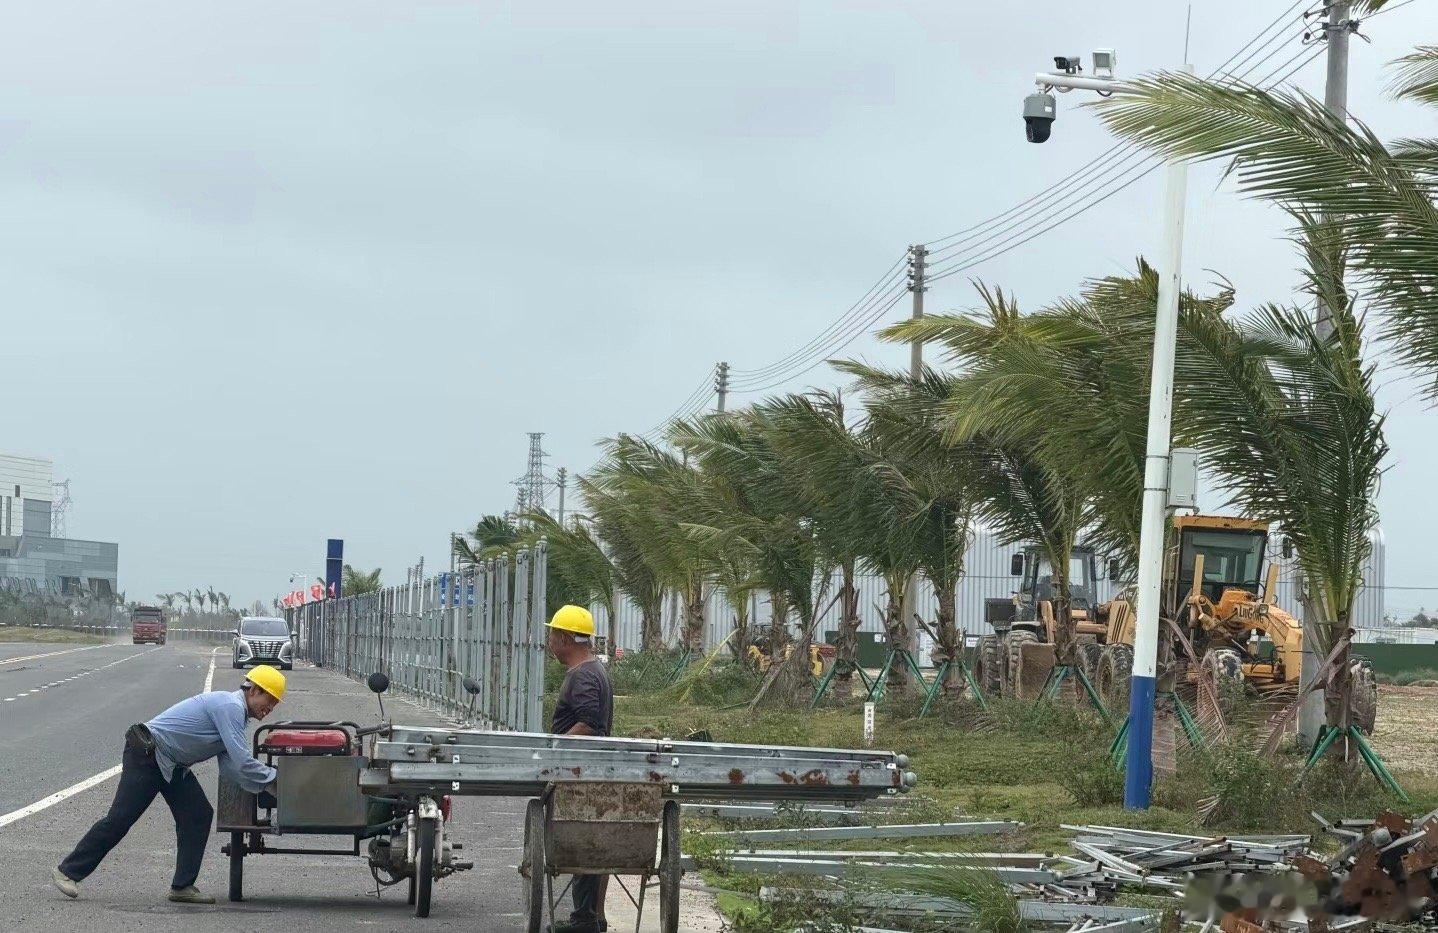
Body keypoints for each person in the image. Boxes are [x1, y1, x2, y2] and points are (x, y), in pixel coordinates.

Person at [52, 664, 287, 904]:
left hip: (172, 764)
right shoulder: (230, 707)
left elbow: (231, 768)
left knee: (198, 814)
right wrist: (278, 780)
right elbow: (243, 761)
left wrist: (267, 786)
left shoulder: (236, 714)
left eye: (275, 705)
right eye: (269, 700)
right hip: (148, 755)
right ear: (254, 690)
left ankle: (182, 886)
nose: (269, 709)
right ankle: (67, 871)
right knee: (120, 818)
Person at [546, 605, 614, 933]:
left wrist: (555, 749)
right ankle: (594, 918)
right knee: (595, 844)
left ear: (563, 638)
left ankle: (584, 921)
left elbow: (589, 724)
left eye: (551, 634)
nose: (548, 640)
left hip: (580, 773)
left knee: (584, 843)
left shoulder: (585, 674)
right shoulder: (591, 669)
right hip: (585, 770)